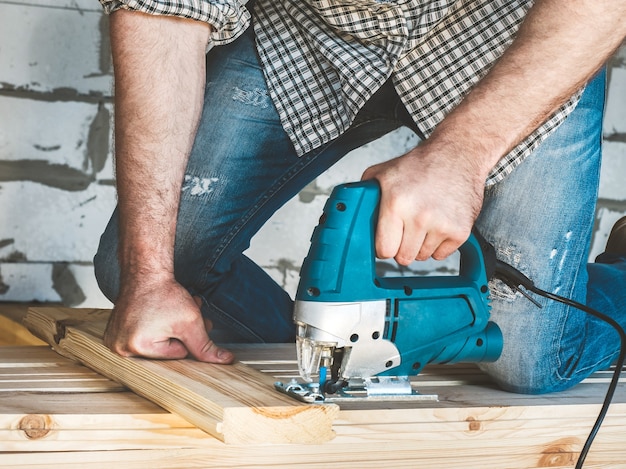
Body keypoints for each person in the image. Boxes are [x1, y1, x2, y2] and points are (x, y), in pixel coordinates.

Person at [94, 0, 626, 394]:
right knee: (141, 269)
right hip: (307, 32)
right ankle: (339, 351)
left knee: (529, 361)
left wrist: (459, 156)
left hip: (511, 34)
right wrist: (151, 277)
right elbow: (161, 13)